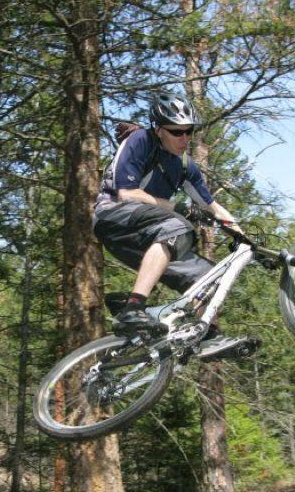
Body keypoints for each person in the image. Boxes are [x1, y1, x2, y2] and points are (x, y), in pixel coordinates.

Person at [93, 91, 243, 354]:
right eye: (177, 132)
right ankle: (133, 308)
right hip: (113, 216)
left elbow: (213, 207)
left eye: (189, 131)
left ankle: (198, 337)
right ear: (159, 129)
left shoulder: (185, 166)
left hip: (146, 234)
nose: (185, 138)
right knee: (178, 226)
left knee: (210, 276)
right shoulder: (140, 141)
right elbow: (126, 193)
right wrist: (179, 208)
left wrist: (245, 239)